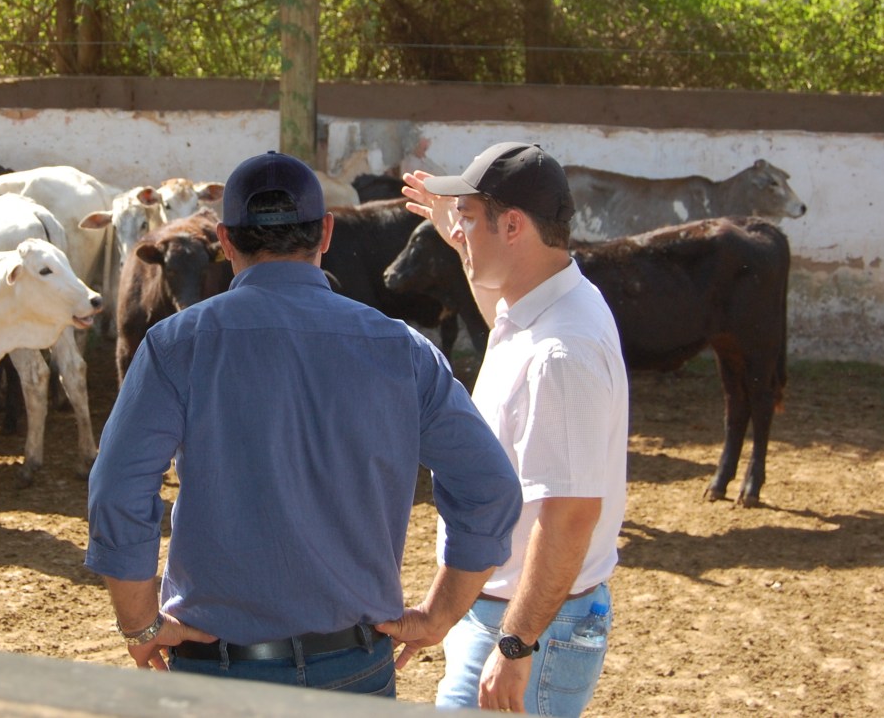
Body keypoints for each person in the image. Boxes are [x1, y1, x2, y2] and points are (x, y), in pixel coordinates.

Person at [85, 150, 522, 697]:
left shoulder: (178, 345)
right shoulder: (401, 349)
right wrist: (440, 613)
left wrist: (140, 623)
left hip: (217, 670)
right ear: (327, 233)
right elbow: (491, 487)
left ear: (224, 241)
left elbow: (116, 489)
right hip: (354, 666)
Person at [402, 141, 630, 716]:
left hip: (534, 627)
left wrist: (516, 643)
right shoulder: (545, 303)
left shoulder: (561, 352)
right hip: (518, 615)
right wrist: (460, 238)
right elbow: (499, 316)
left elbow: (571, 516)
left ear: (513, 225)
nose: (459, 229)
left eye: (471, 218)